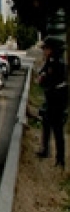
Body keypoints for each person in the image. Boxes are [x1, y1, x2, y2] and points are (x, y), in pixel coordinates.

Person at [36, 36, 68, 168]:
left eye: (46, 49)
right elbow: (42, 73)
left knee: (58, 130)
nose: (44, 51)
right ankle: (45, 150)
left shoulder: (58, 63)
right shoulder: (50, 61)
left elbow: (49, 79)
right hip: (51, 99)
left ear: (53, 49)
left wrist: (43, 79)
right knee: (46, 124)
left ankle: (60, 159)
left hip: (57, 100)